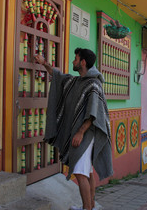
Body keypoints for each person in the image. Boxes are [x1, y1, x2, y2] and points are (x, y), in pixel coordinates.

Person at [34, 48, 113, 210]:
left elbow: (93, 113)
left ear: (83, 62)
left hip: (86, 135)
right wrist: (44, 63)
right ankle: (90, 206)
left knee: (79, 173)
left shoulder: (93, 84)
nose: (73, 61)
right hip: (84, 134)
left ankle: (86, 208)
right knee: (87, 172)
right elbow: (59, 77)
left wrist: (80, 132)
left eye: (75, 59)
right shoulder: (78, 82)